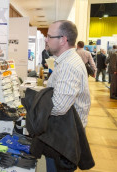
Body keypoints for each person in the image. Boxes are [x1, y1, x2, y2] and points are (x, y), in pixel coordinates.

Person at [45, 20, 91, 172]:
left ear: (63, 39)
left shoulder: (68, 65)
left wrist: (35, 106)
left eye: (49, 36)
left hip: (63, 137)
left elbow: (58, 106)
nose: (46, 40)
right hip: (64, 132)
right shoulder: (67, 61)